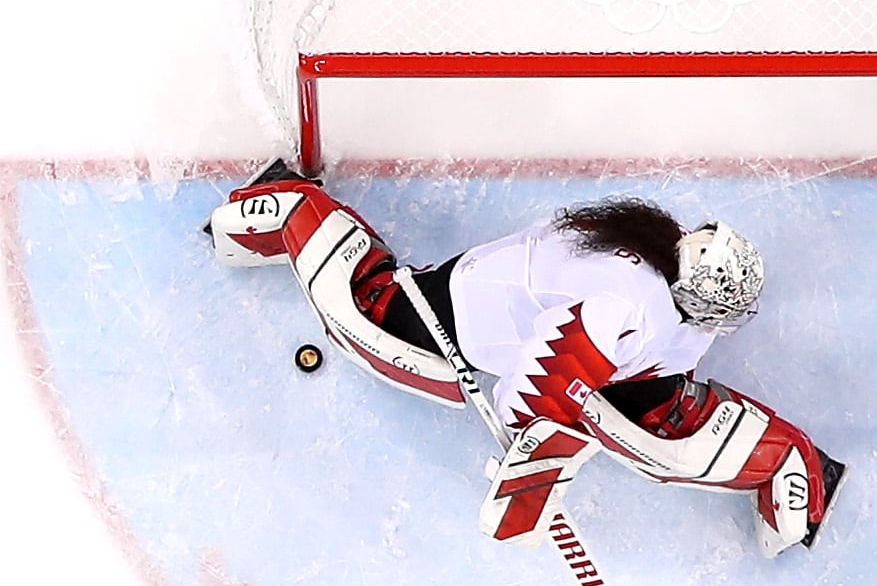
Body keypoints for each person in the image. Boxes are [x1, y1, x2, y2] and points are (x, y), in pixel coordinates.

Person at [204, 160, 843, 558]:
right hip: (462, 311)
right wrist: (531, 459)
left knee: (667, 424)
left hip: (601, 346)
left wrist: (536, 450)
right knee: (363, 311)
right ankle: (284, 203)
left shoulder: (673, 279)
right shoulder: (622, 307)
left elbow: (557, 384)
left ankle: (790, 471)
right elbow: (535, 389)